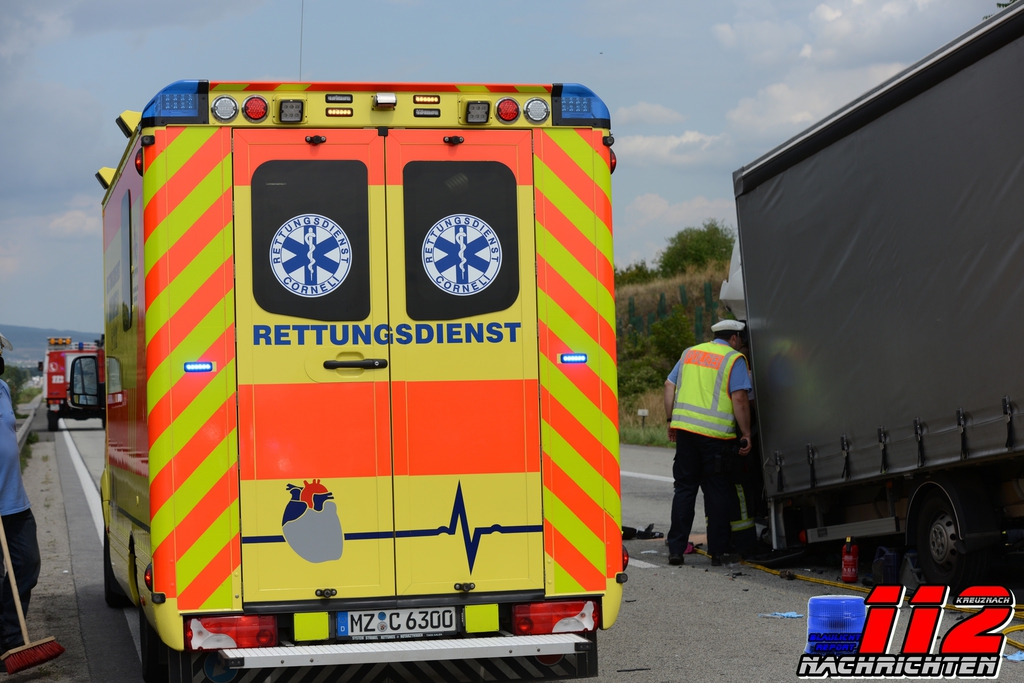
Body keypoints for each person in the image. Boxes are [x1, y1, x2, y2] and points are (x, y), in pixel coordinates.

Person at [664, 319, 752, 566]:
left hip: (686, 433)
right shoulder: (733, 358)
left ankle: (676, 550)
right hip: (716, 437)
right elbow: (739, 398)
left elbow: (669, 385)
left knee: (684, 490)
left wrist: (671, 420)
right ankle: (718, 552)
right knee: (716, 492)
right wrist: (746, 433)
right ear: (734, 338)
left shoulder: (690, 353)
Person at [0, 332, 40, 653]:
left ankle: (10, 637)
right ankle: (8, 642)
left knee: (27, 563)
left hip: (14, 500)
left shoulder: (2, 388)